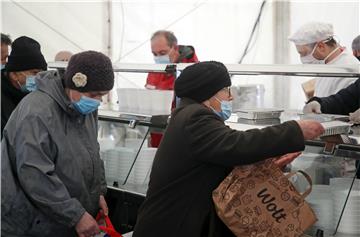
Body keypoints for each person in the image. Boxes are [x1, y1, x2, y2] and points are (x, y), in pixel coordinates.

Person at [133, 61, 324, 237]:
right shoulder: (195, 118)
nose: (230, 96)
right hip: (173, 228)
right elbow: (237, 144)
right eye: (226, 90)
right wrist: (295, 130)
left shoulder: (188, 114)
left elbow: (220, 157)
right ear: (207, 93)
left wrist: (264, 163)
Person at [1, 50, 114, 236]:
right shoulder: (36, 112)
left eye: (103, 95)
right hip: (31, 223)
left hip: (61, 220)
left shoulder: (86, 109)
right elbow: (35, 174)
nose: (98, 101)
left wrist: (98, 192)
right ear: (73, 84)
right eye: (94, 94)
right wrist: (76, 215)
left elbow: (93, 151)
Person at [289, 22, 358, 97]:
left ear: (321, 46)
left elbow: (343, 105)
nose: (302, 58)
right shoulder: (326, 66)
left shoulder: (348, 71)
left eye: (304, 53)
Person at [1, 36, 47, 137]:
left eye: (42, 73)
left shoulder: (39, 96)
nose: (39, 78)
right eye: (34, 73)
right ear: (14, 75)